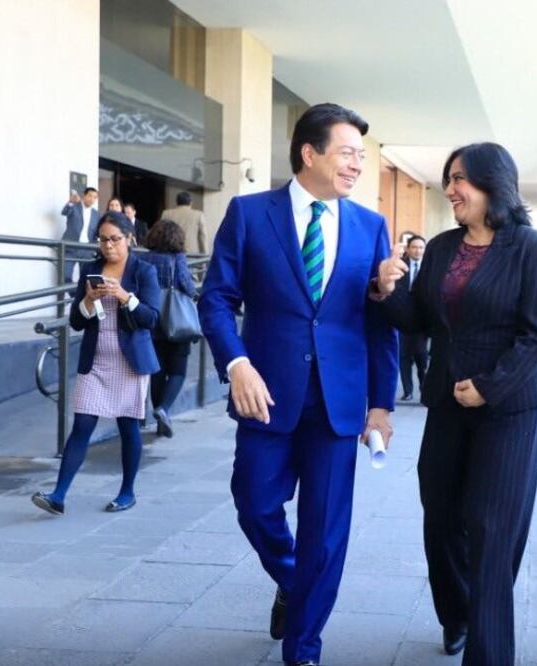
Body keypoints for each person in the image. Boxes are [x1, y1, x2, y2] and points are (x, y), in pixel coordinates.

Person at [197, 103, 397, 666]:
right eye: (348, 153)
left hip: (340, 406)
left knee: (326, 535)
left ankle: (303, 649)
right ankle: (293, 579)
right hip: (266, 396)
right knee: (255, 505)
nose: (357, 164)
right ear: (309, 153)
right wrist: (237, 364)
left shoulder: (370, 227)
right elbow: (215, 298)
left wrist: (380, 405)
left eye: (362, 155)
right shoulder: (249, 213)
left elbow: (379, 323)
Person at [374, 142, 537, 665]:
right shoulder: (439, 247)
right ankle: (456, 615)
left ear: (493, 184)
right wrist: (387, 293)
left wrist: (490, 385)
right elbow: (419, 321)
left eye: (461, 180)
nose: (451, 189)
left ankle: (490, 650)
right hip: (447, 404)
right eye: (449, 179)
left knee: (491, 528)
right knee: (440, 518)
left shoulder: (532, 248)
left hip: (508, 408)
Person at [31, 212, 161, 515]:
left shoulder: (144, 271)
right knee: (81, 427)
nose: (108, 245)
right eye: (103, 239)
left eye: (115, 239)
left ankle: (127, 492)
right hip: (96, 363)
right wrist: (89, 301)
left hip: (130, 364)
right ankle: (58, 495)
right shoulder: (91, 270)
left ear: (129, 238)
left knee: (129, 428)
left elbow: (152, 318)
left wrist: (125, 296)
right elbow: (76, 322)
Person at [141, 220, 197, 438]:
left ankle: (159, 417)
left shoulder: (143, 258)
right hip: (176, 321)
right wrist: (195, 295)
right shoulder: (178, 258)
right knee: (178, 371)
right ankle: (163, 409)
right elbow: (186, 283)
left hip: (152, 319)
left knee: (158, 371)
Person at [398, 234, 429, 401]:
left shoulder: (430, 267)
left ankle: (424, 390)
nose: (417, 251)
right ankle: (408, 391)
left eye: (421, 247)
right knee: (404, 357)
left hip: (422, 322)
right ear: (408, 249)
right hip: (402, 320)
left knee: (421, 358)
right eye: (414, 247)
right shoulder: (400, 266)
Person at [60, 187, 99, 283]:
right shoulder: (74, 206)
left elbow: (96, 233)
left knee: (86, 279)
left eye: (94, 197)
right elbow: (64, 212)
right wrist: (70, 202)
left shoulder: (96, 214)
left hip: (87, 250)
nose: (92, 199)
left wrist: (94, 247)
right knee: (65, 276)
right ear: (84, 196)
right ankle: (75, 296)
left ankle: (80, 297)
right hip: (71, 247)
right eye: (90, 196)